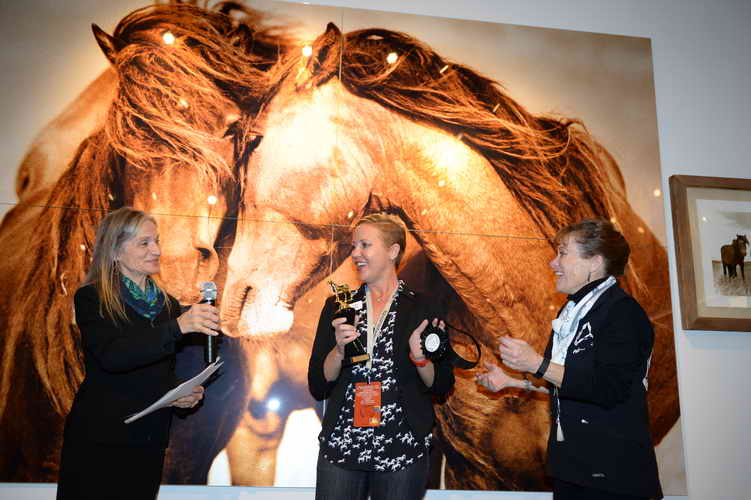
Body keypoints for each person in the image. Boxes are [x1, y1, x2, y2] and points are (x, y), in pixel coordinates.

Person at [476, 219, 662, 500]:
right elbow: (570, 385)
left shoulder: (622, 312)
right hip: (572, 468)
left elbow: (608, 388)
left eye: (562, 253)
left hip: (612, 473)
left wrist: (536, 364)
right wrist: (512, 382)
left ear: (595, 262)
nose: (553, 263)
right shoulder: (572, 312)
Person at [56, 207, 220, 500]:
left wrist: (179, 394)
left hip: (148, 441)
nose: (156, 250)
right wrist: (178, 327)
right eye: (144, 243)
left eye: (156, 241)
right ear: (115, 251)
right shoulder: (92, 297)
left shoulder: (167, 304)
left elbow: (158, 370)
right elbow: (114, 357)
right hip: (101, 439)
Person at [308, 213, 455, 500]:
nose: (355, 254)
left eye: (365, 245)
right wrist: (338, 351)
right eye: (354, 246)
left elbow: (441, 385)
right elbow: (318, 384)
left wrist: (420, 358)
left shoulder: (424, 308)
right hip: (342, 446)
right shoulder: (338, 307)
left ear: (393, 251)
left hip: (402, 448)